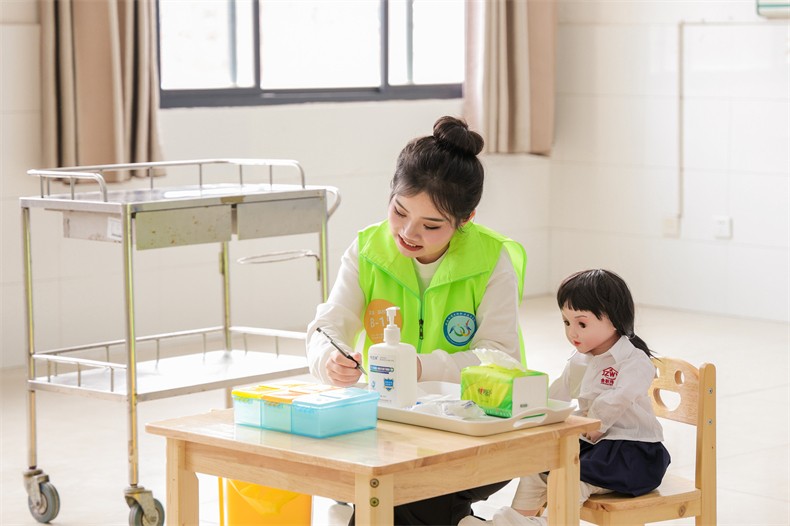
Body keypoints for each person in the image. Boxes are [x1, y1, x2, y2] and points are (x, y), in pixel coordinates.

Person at [306, 115, 527, 525]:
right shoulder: (368, 250)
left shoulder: (490, 260)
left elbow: (500, 358)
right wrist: (328, 360)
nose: (408, 232)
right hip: (392, 430)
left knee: (393, 492)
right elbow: (328, 326)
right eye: (399, 211)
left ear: (466, 219)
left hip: (478, 428)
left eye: (431, 225)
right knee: (406, 492)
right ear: (391, 192)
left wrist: (422, 367)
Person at [460, 269, 671, 526]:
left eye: (582, 324)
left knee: (573, 475)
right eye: (566, 322)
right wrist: (534, 414)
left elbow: (619, 397)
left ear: (615, 318)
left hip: (633, 454)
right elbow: (558, 393)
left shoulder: (634, 360)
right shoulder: (580, 359)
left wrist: (594, 422)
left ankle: (549, 523)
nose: (572, 332)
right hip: (596, 446)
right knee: (538, 466)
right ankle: (515, 520)